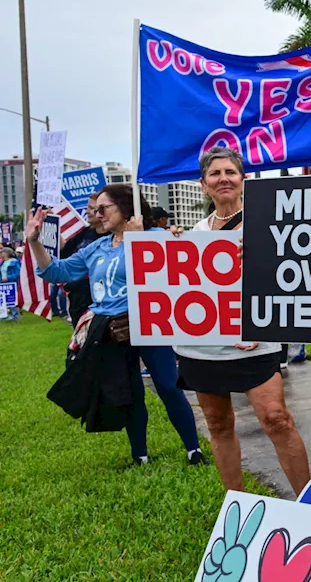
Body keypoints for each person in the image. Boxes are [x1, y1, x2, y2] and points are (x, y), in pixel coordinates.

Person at [29, 184, 205, 466]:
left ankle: (193, 449)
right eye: (95, 210)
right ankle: (140, 455)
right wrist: (35, 241)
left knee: (167, 385)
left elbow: (174, 272)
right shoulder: (97, 246)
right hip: (112, 329)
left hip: (149, 322)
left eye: (103, 209)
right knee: (131, 391)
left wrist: (138, 244)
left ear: (125, 208)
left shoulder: (155, 236)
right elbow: (55, 271)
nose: (97, 216)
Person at [173, 147, 311, 494]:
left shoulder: (268, 224)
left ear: (243, 179)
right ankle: (236, 503)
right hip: (204, 348)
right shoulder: (192, 235)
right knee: (218, 423)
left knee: (276, 418)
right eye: (215, 174)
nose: (223, 179)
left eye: (230, 172)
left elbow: (292, 275)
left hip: (256, 341)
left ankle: (310, 502)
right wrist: (169, 251)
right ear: (204, 185)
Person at [60, 190, 107, 326]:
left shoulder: (114, 237)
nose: (86, 212)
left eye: (91, 208)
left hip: (99, 296)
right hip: (79, 297)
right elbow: (65, 252)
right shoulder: (85, 233)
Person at [0, 246, 19, 321]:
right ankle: (4, 315)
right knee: (3, 299)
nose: (0, 254)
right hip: (2, 283)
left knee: (12, 299)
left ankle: (15, 316)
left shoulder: (14, 262)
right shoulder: (3, 262)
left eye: (1, 252)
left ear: (6, 253)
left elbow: (17, 274)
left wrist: (8, 278)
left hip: (12, 284)